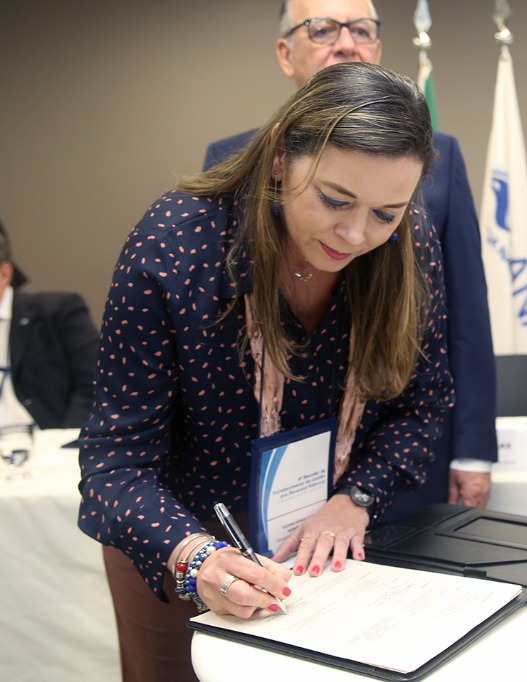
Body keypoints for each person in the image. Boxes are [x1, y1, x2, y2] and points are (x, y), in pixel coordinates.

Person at [78, 62, 453, 682]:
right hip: (179, 537)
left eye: (385, 212)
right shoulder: (177, 246)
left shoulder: (406, 242)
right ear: (281, 157)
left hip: (323, 541)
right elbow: (113, 465)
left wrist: (356, 499)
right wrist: (195, 556)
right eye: (334, 200)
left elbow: (424, 403)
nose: (355, 233)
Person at [204, 0, 497, 522]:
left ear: (377, 50)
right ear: (285, 54)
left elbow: (466, 313)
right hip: (258, 461)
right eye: (321, 29)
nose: (345, 43)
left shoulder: (438, 155)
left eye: (360, 29)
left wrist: (473, 453)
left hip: (392, 451)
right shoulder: (231, 159)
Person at [0, 222, 97, 430]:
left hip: (48, 440)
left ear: (5, 274)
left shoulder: (57, 311)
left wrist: (64, 440)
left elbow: (94, 382)